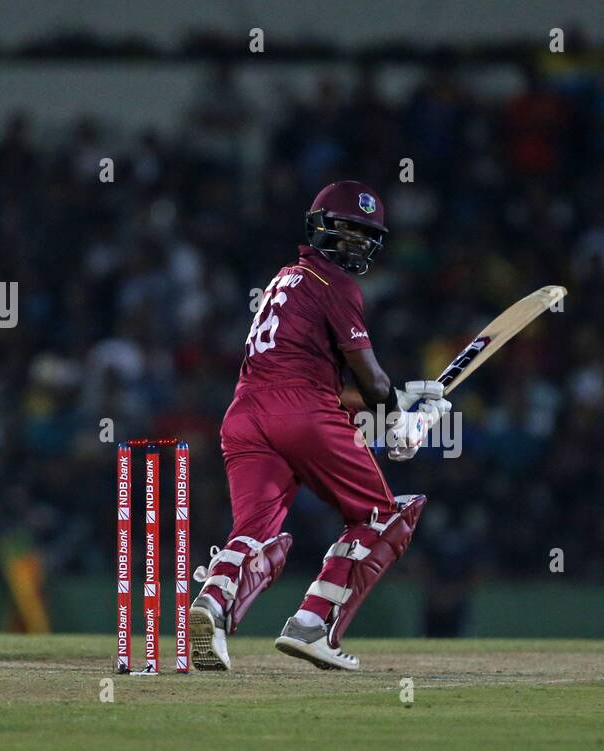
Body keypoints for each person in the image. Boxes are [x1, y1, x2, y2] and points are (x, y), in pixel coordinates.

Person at [185, 181, 450, 671]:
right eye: (348, 231)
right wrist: (401, 424)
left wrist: (402, 396)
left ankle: (212, 604)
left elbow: (316, 379)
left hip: (244, 414)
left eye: (363, 234)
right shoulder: (338, 284)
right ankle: (312, 625)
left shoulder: (285, 279)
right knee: (382, 516)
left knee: (255, 533)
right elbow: (368, 381)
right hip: (299, 411)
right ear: (323, 228)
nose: (355, 242)